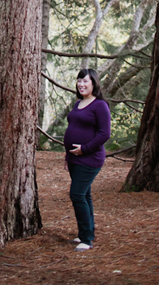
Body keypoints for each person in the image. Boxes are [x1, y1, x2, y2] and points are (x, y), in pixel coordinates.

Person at [63, 67, 112, 252]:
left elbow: (104, 134)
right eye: (79, 81)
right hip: (75, 159)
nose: (81, 84)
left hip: (90, 159)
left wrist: (85, 149)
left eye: (86, 81)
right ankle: (86, 233)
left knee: (76, 194)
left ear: (94, 83)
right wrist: (68, 155)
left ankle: (86, 240)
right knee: (85, 195)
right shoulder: (78, 104)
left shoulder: (100, 105)